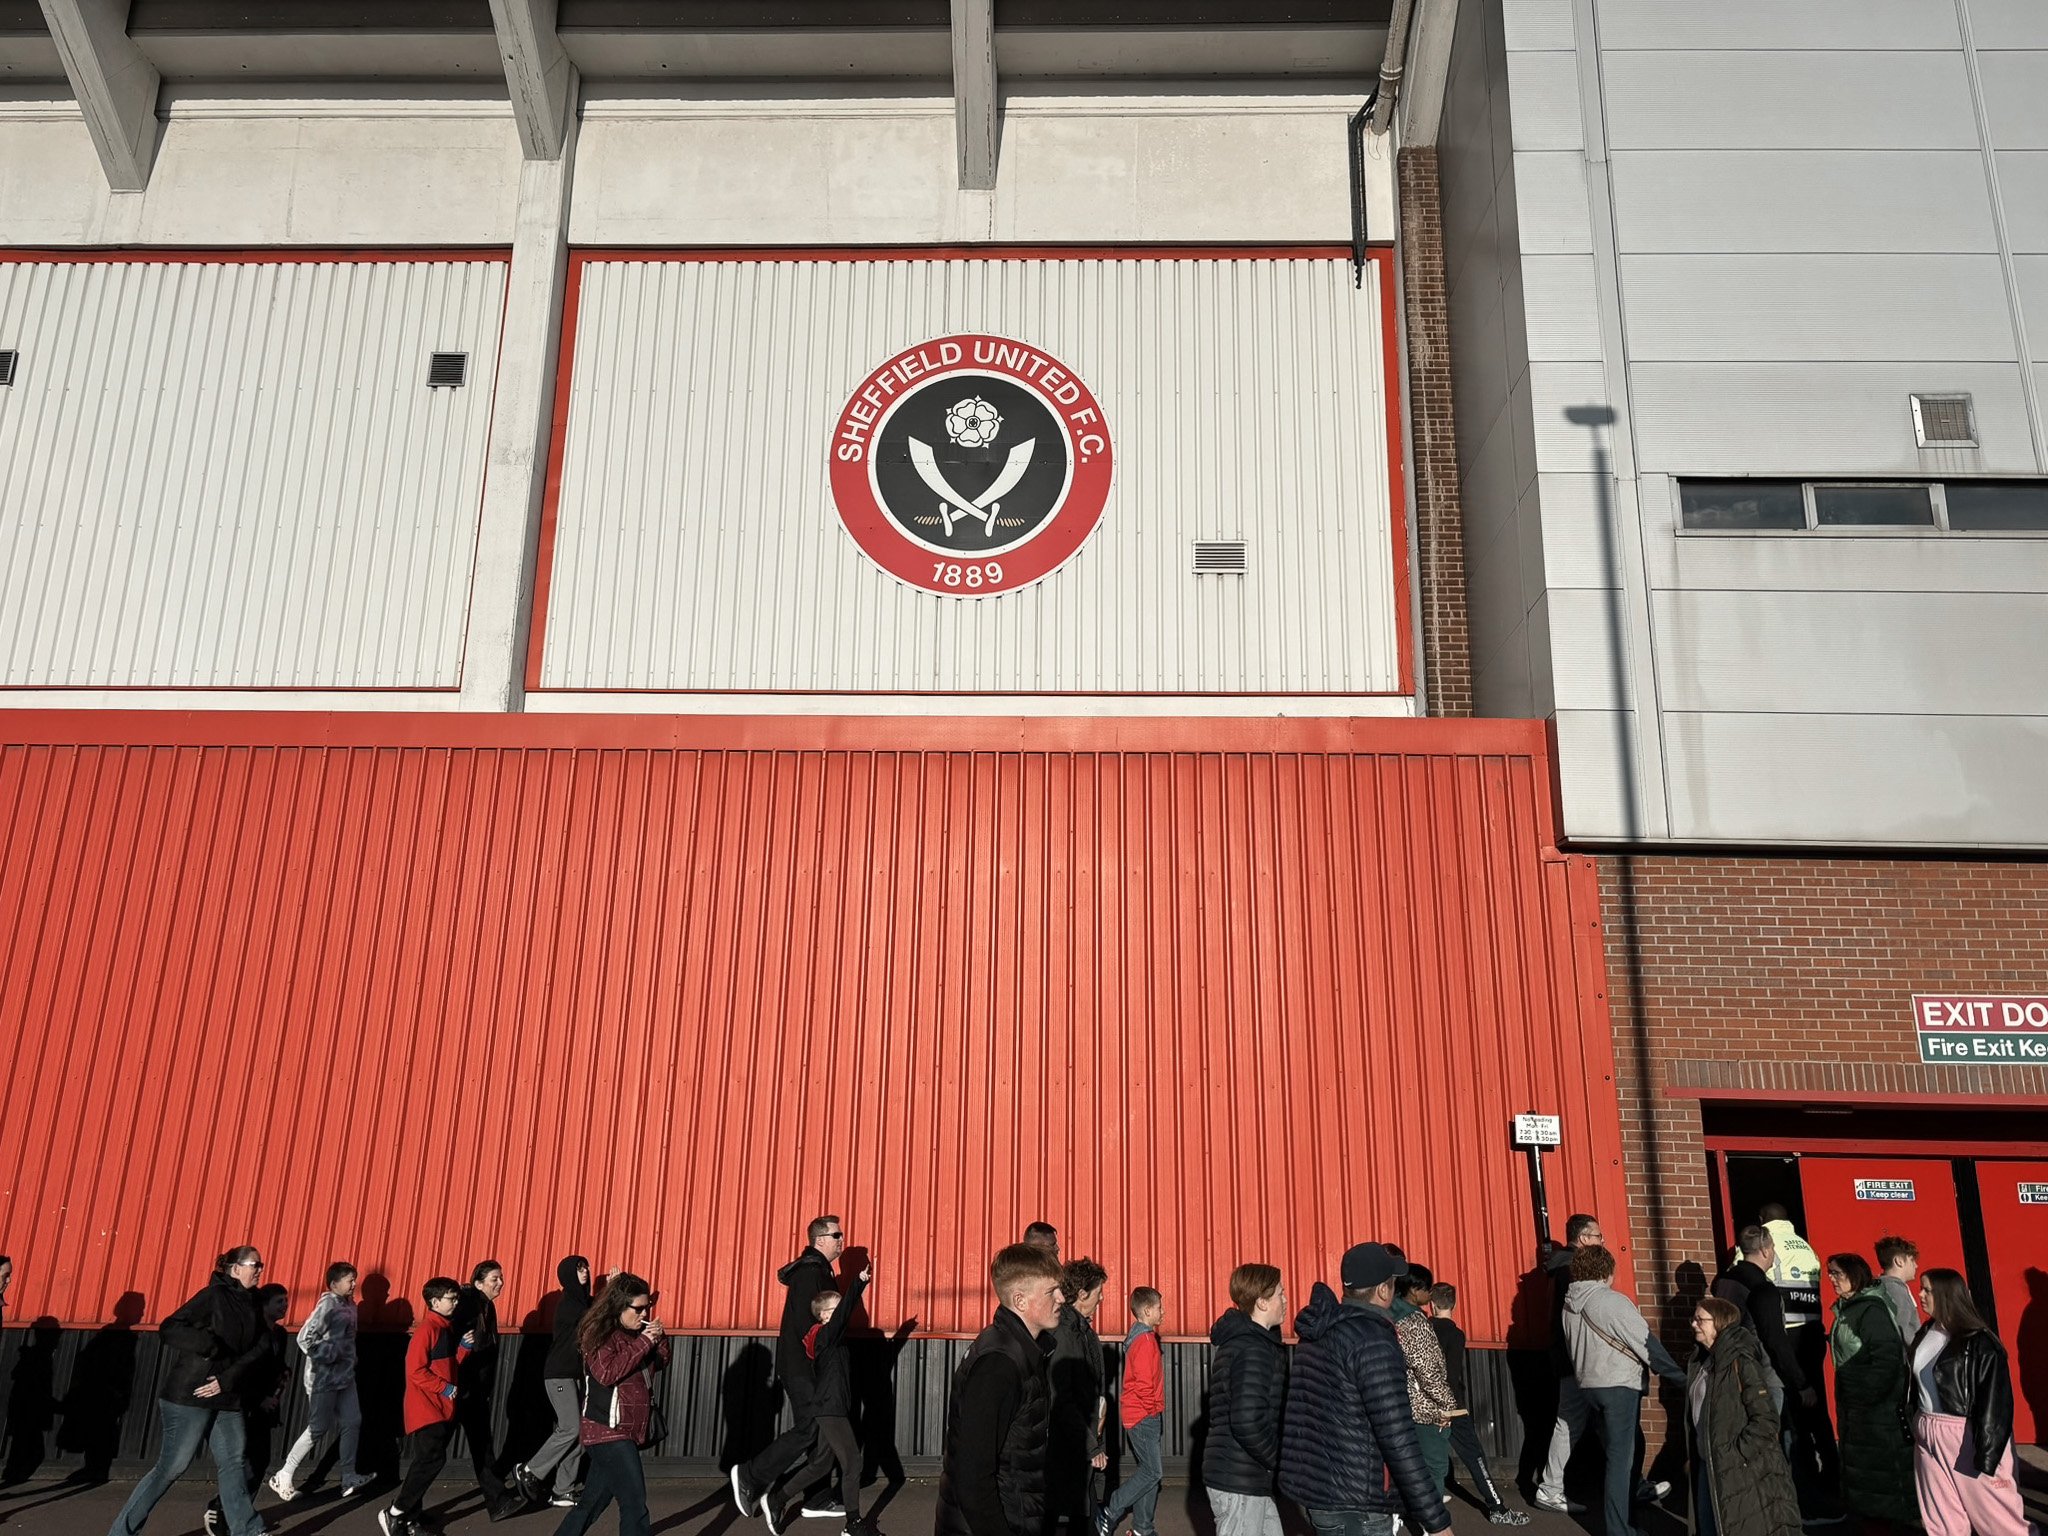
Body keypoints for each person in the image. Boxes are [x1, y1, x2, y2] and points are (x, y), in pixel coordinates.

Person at [1279, 1241, 1451, 1536]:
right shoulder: (1373, 1340)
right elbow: (1397, 1435)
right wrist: (1436, 1521)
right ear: (1383, 1291)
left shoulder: (1320, 1333)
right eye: (1393, 1284)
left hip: (1322, 1494)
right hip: (1359, 1500)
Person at [107, 1245, 273, 1536]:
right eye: (254, 1265)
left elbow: (259, 1347)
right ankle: (121, 1532)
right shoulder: (213, 1296)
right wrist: (208, 1346)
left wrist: (227, 1378)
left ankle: (247, 1530)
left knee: (233, 1462)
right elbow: (171, 1327)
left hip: (226, 1395)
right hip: (191, 1395)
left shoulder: (255, 1303)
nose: (259, 1270)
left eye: (261, 1265)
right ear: (235, 1269)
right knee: (172, 1467)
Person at [935, 1242, 1065, 1536]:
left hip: (1018, 1514)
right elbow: (973, 1476)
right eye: (1051, 1291)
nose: (1061, 1298)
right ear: (1020, 1300)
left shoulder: (1025, 1351)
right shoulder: (999, 1364)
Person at [1561, 1245, 1683, 1536]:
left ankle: (1627, 1520)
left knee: (1628, 1449)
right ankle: (1620, 1530)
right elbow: (1647, 1344)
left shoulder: (1568, 1305)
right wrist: (1681, 1378)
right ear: (1606, 1271)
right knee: (1620, 1460)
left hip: (1589, 1386)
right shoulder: (1612, 1301)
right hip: (1618, 1387)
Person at [1910, 1268, 2039, 1536]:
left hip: (1966, 1435)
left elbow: (1997, 1404)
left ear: (1947, 1294)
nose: (1920, 1295)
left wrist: (1988, 1456)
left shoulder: (1980, 1342)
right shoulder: (1926, 1332)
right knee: (1942, 1520)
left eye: (1927, 1290)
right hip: (1928, 1432)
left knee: (1998, 1520)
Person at [733, 1215, 847, 1516]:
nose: (841, 1240)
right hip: (803, 1367)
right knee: (810, 1427)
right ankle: (750, 1475)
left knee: (820, 1429)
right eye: (837, 1235)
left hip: (809, 1367)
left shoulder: (820, 1270)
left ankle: (817, 1497)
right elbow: (808, 1326)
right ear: (820, 1240)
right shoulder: (810, 1273)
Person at [552, 1274, 671, 1536]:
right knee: (634, 1504)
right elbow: (606, 1373)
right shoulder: (599, 1334)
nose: (644, 1313)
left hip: (627, 1428)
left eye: (647, 1307)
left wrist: (659, 1339)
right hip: (607, 1430)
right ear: (619, 1306)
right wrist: (645, 1342)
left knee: (592, 1503)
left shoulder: (638, 1333)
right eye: (638, 1308)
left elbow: (659, 1363)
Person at [761, 1261, 874, 1536]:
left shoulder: (833, 1338)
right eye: (834, 1313)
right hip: (830, 1407)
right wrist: (858, 1282)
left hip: (833, 1407)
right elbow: (844, 1312)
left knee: (822, 1463)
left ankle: (776, 1499)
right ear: (823, 1316)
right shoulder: (826, 1335)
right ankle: (853, 1523)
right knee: (852, 1462)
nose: (841, 1318)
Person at [1685, 1295, 1802, 1536]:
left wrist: (1737, 1453)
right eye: (1694, 1319)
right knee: (1707, 1528)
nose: (1693, 1324)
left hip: (1736, 1466)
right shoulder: (1702, 1362)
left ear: (1719, 1323)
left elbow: (1766, 1418)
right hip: (1707, 1463)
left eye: (1700, 1320)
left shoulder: (1740, 1360)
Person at [1822, 1253, 1914, 1528]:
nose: (1831, 1279)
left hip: (1877, 1412)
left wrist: (1863, 1396)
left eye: (1836, 1273)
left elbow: (1887, 1359)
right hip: (1858, 1411)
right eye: (1829, 1273)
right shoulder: (1850, 1308)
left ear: (1854, 1274)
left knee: (1882, 1483)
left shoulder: (1870, 1310)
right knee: (1867, 1480)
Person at [1428, 1283, 1529, 1525]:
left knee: (1424, 1454)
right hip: (1453, 1405)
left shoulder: (1426, 1329)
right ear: (1453, 1305)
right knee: (1474, 1457)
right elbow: (1451, 1374)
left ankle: (1426, 1501)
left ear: (1431, 1305)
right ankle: (1496, 1507)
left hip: (1426, 1403)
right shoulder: (1455, 1334)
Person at [271, 1261, 372, 1501]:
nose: (354, 1284)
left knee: (353, 1421)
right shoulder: (327, 1306)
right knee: (318, 1427)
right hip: (323, 1379)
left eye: (354, 1279)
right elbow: (304, 1338)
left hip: (345, 1377)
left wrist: (351, 1358)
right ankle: (283, 1474)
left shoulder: (351, 1305)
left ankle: (348, 1475)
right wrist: (330, 1355)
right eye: (349, 1280)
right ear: (335, 1283)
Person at [380, 1276, 473, 1536]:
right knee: (431, 1459)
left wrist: (464, 1349)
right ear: (434, 1302)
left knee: (427, 1459)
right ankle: (397, 1511)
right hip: (426, 1406)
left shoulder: (443, 1328)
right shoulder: (427, 1330)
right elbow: (415, 1371)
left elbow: (446, 1365)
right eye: (450, 1299)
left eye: (456, 1298)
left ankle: (410, 1517)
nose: (455, 1303)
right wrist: (444, 1388)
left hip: (438, 1405)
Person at [518, 1256, 608, 1509]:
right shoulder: (569, 1304)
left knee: (580, 1433)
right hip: (558, 1374)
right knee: (570, 1428)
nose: (585, 1271)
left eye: (586, 1267)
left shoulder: (582, 1302)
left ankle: (562, 1490)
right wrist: (611, 1291)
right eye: (579, 1268)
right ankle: (531, 1470)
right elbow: (595, 1317)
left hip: (574, 1375)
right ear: (568, 1274)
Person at [1204, 1264, 1288, 1536]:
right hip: (1239, 1482)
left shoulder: (1247, 1342)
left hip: (1246, 1478)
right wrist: (1277, 1458)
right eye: (1280, 1294)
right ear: (1262, 1302)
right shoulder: (1254, 1348)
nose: (1285, 1300)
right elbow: (1245, 1421)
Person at [1535, 1212, 1603, 1514]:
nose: (1602, 1242)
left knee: (1598, 1419)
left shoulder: (1560, 1268)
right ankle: (1550, 1488)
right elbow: (1580, 1314)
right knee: (1573, 1421)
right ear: (1584, 1238)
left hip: (1570, 1355)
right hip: (1578, 1356)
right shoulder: (1573, 1270)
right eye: (1598, 1236)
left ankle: (1632, 1480)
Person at [450, 1259, 525, 1520]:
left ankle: (497, 1501)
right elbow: (455, 1338)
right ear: (478, 1282)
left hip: (475, 1389)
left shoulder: (486, 1306)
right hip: (461, 1387)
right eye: (494, 1278)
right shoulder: (469, 1304)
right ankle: (404, 1509)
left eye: (501, 1278)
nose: (500, 1283)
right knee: (433, 1454)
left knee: (482, 1445)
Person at [1048, 1257, 1110, 1534]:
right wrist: (1091, 1446)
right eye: (1098, 1293)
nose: (1102, 1298)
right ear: (1083, 1294)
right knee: (1072, 1516)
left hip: (1082, 1439)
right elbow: (1062, 1399)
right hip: (1071, 1446)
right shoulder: (1066, 1334)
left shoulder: (1081, 1330)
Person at [1099, 1288, 1165, 1536]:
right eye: (1159, 1307)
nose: (1163, 1311)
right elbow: (1145, 1384)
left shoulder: (1138, 1338)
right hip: (1143, 1416)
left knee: (1148, 1472)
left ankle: (1142, 1529)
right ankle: (1110, 1511)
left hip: (1139, 1414)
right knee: (1153, 1472)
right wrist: (1153, 1409)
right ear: (1147, 1311)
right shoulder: (1146, 1341)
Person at [1390, 1265, 1457, 1501]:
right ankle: (1433, 1521)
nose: (1430, 1295)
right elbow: (1427, 1370)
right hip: (1424, 1407)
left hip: (1406, 1401)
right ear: (1414, 1289)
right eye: (1427, 1289)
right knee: (1435, 1466)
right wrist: (1448, 1403)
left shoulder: (1393, 1314)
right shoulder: (1414, 1322)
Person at [1876, 1236, 1922, 1349]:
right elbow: (1899, 1330)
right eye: (1912, 1260)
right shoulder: (1896, 1290)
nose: (1916, 1265)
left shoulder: (1881, 1287)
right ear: (1899, 1261)